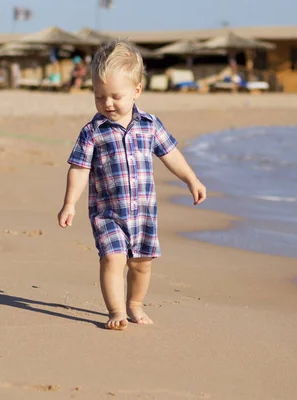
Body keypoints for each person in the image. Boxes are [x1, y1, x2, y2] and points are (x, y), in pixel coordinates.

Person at [57, 39, 207, 330]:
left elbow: (170, 154)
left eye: (115, 96)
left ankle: (135, 304)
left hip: (143, 213)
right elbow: (79, 168)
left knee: (142, 264)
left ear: (137, 90)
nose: (107, 104)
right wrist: (69, 203)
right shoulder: (92, 131)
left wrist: (192, 179)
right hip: (107, 214)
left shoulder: (150, 125)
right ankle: (115, 310)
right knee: (112, 260)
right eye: (99, 97)